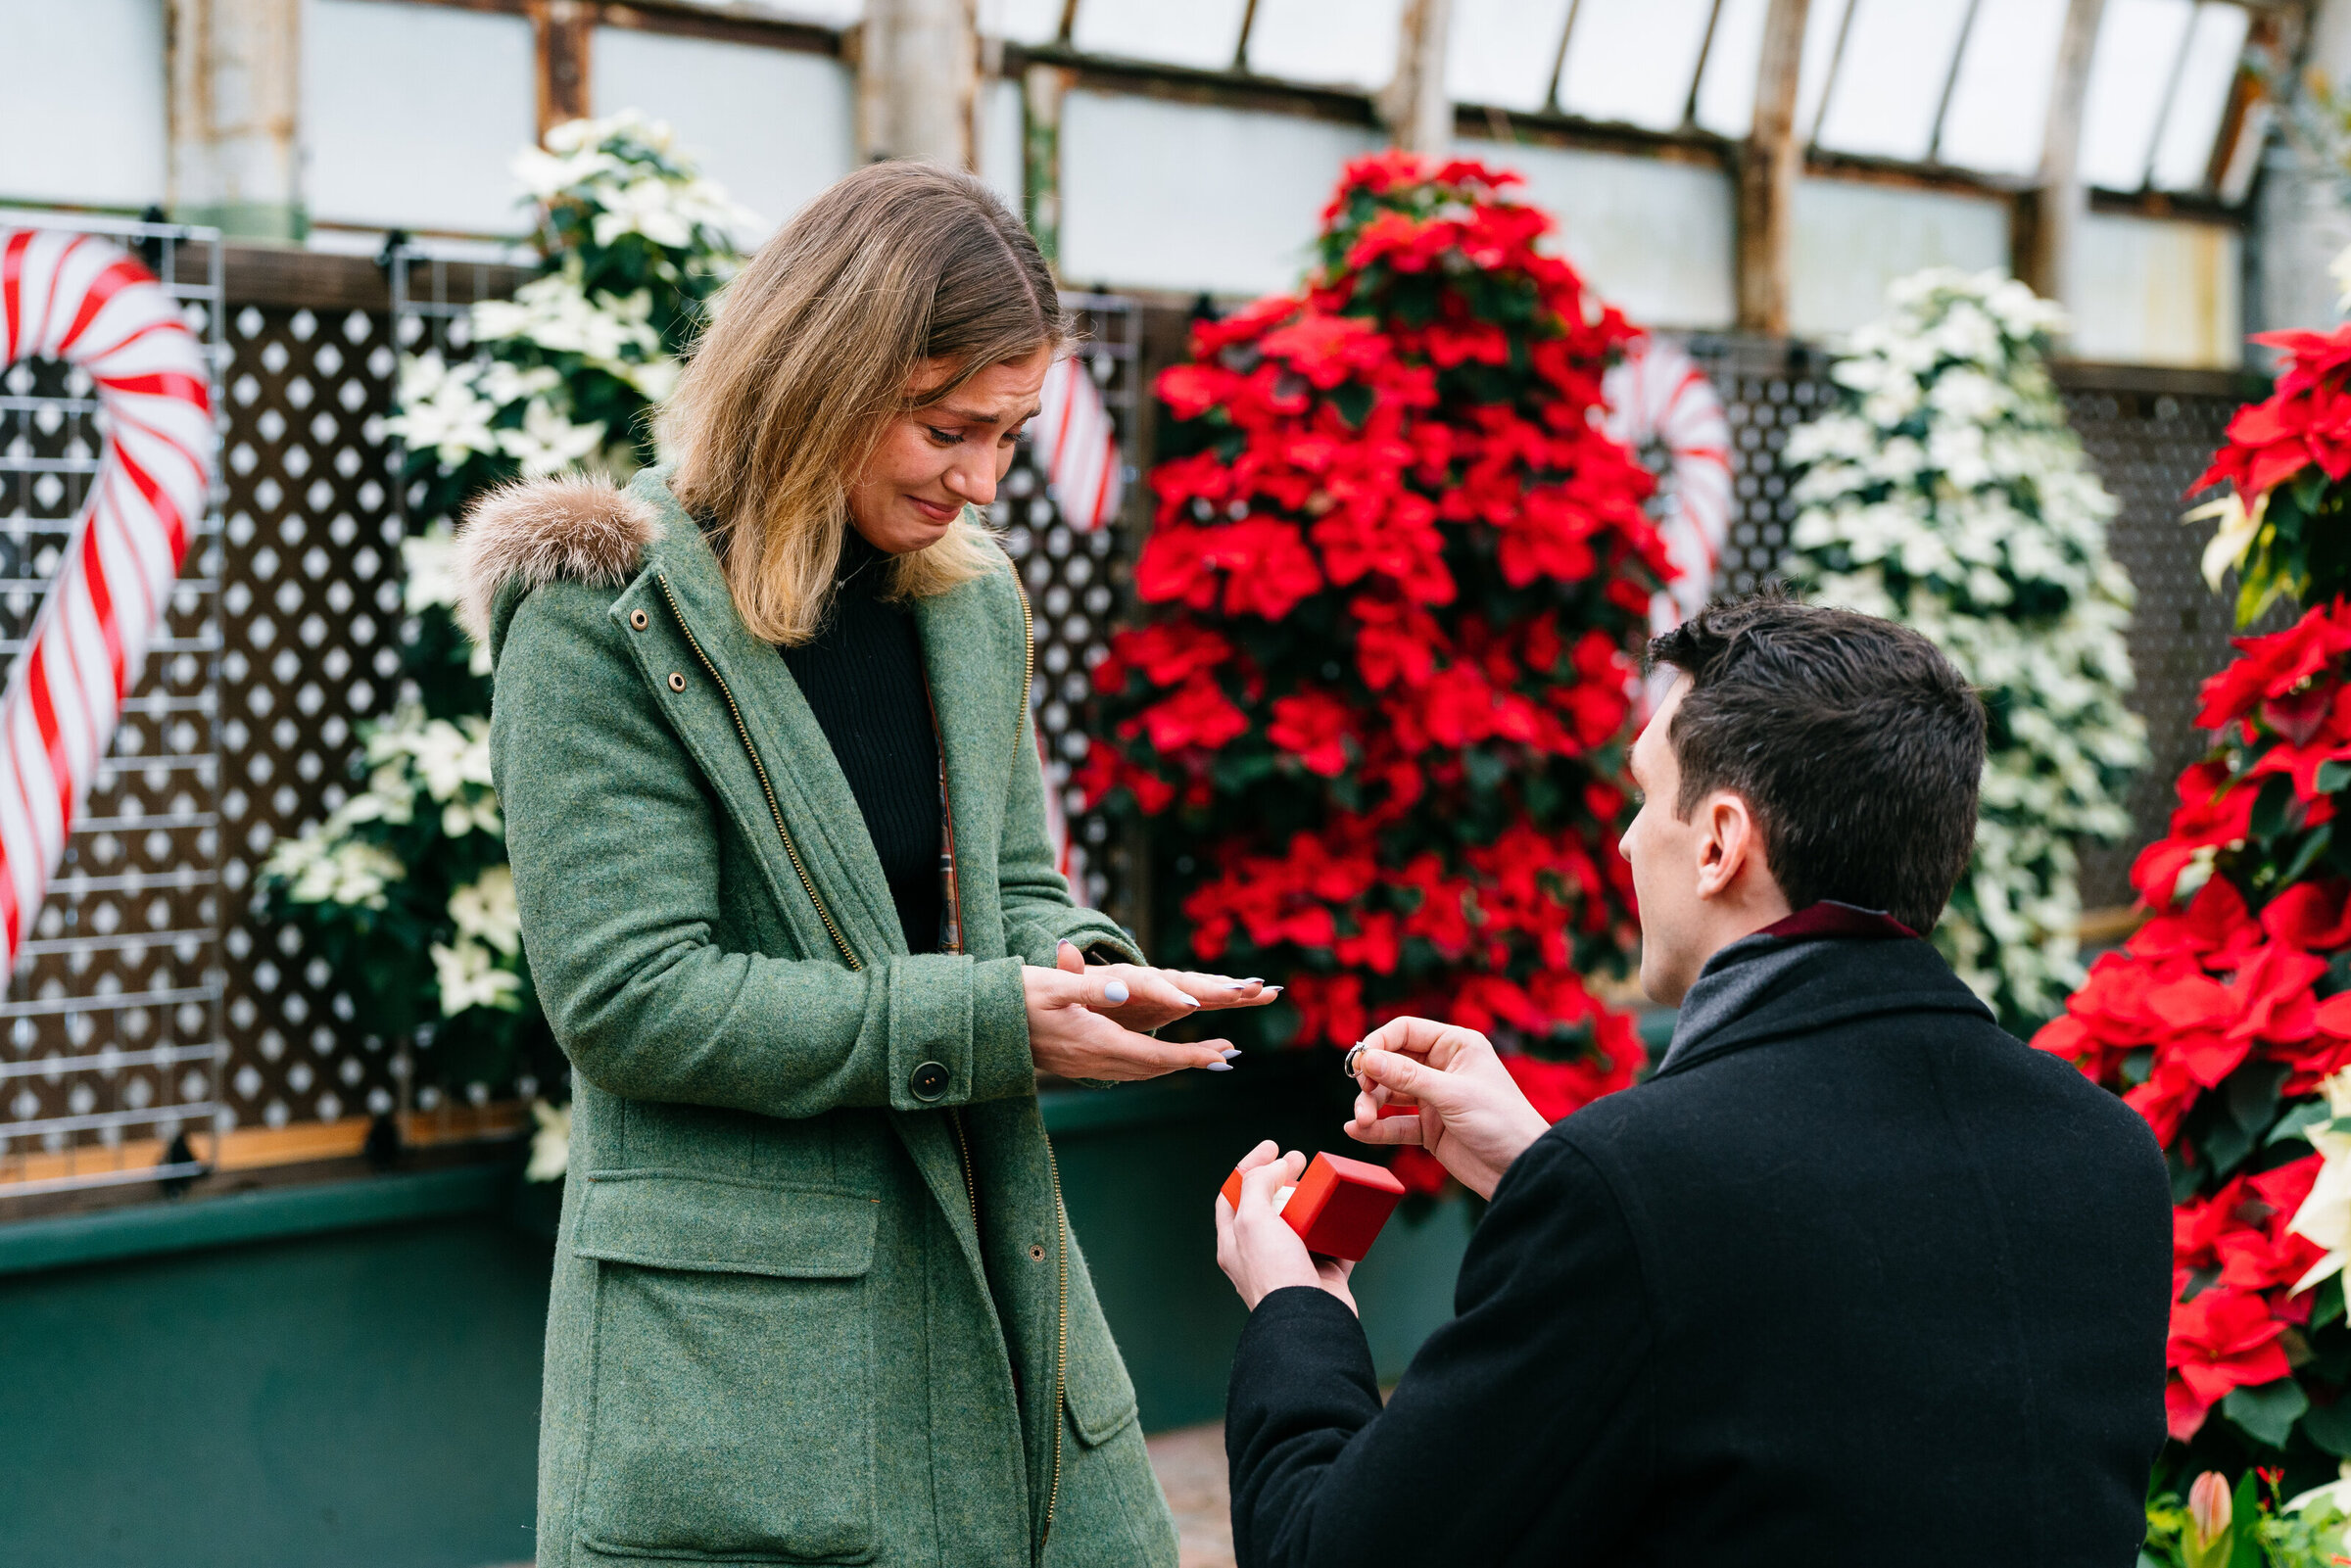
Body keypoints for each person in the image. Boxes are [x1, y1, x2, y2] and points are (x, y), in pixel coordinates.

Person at [469, 162, 1265, 1568]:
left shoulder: (969, 600)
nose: (981, 480)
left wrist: (1086, 975)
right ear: (818, 376)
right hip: (745, 1362)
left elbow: (1010, 890)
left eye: (1012, 437)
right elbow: (631, 1000)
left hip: (996, 1263)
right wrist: (988, 1018)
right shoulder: (604, 619)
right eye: (950, 428)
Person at [1213, 594, 2172, 1566]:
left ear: (1719, 841)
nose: (1629, 841)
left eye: (1643, 794)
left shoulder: (1636, 1190)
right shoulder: (2107, 1153)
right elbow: (1844, 1375)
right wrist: (1549, 1166)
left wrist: (1298, 1308)